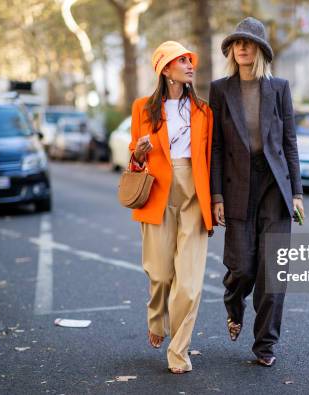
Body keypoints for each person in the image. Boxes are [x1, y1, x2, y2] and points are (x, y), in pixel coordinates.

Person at [209, 17, 305, 367]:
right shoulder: (220, 90)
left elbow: (289, 143)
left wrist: (296, 191)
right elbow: (215, 148)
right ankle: (234, 304)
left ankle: (265, 345)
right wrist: (216, 196)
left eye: (249, 43)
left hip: (274, 187)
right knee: (243, 267)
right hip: (237, 187)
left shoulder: (279, 88)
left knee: (272, 274)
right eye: (237, 42)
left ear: (260, 50)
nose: (242, 47)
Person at [128, 41, 214, 374]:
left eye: (190, 60)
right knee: (161, 274)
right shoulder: (142, 109)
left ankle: (179, 351)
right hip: (158, 193)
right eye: (182, 61)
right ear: (166, 69)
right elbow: (134, 161)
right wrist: (140, 150)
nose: (190, 66)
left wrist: (216, 201)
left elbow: (211, 159)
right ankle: (156, 319)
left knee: (189, 285)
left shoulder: (204, 111)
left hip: (194, 193)